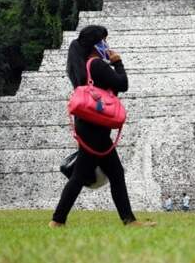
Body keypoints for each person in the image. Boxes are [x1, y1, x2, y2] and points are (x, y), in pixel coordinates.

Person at [49, 25, 155, 228]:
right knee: (80, 175)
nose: (107, 45)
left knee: (116, 173)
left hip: (91, 127)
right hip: (94, 129)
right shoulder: (97, 64)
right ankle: (57, 220)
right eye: (104, 41)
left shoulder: (85, 65)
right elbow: (122, 84)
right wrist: (118, 62)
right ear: (96, 44)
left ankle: (129, 221)